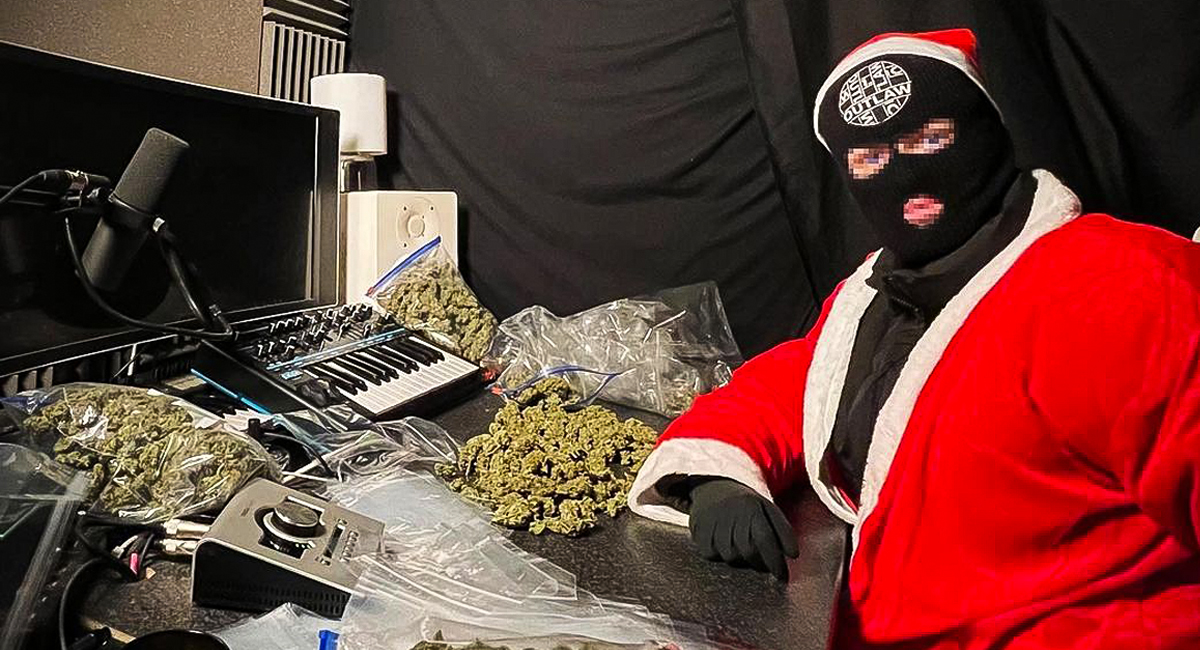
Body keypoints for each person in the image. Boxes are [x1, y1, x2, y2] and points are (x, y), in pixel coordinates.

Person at [628, 29, 1200, 649]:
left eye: (930, 139)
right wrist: (716, 474)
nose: (903, 173)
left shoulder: (1121, 285)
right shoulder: (880, 289)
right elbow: (799, 384)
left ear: (985, 130)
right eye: (869, 159)